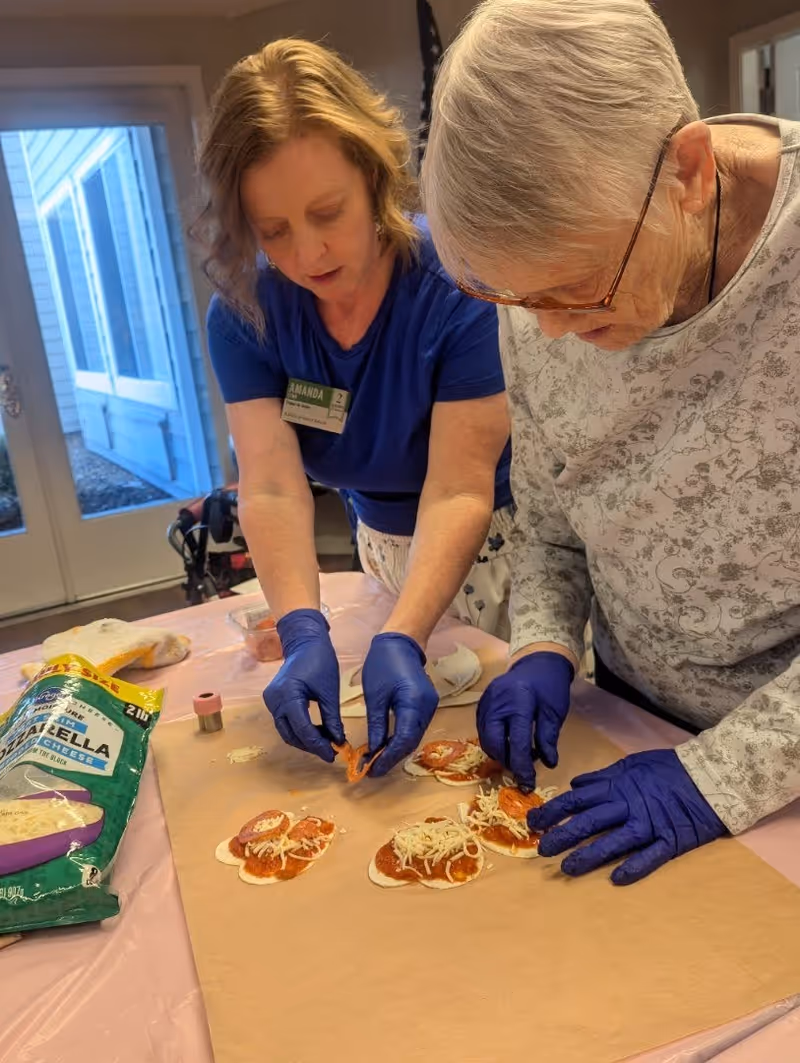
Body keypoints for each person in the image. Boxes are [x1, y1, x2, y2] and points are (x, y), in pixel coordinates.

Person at [422, 0, 800, 883]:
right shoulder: (542, 294)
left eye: (580, 292)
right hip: (633, 729)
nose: (549, 336)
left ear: (691, 171)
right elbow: (556, 522)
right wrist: (546, 642)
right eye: (520, 303)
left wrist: (717, 776)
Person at [196, 39, 513, 777]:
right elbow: (271, 483)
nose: (308, 254)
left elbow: (459, 485)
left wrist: (401, 636)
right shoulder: (247, 312)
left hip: (496, 548)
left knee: (487, 760)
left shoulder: (456, 286)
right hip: (383, 546)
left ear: (375, 177)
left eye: (328, 213)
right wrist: (304, 626)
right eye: (273, 231)